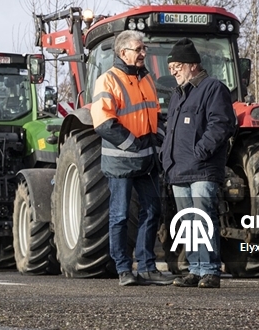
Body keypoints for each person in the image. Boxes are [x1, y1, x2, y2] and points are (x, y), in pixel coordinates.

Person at [90, 30, 172, 287]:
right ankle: (124, 269)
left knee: (152, 211)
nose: (143, 53)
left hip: (147, 161)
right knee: (120, 216)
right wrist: (134, 145)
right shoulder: (107, 81)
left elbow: (156, 115)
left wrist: (157, 139)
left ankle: (147, 267)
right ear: (123, 52)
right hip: (121, 162)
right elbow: (104, 123)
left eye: (144, 49)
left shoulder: (147, 79)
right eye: (138, 49)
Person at [160, 38, 236, 289]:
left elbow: (222, 124)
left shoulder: (213, 88)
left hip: (202, 168)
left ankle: (210, 270)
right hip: (178, 170)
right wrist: (166, 161)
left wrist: (200, 151)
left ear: (192, 65)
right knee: (188, 221)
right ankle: (195, 269)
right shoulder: (177, 95)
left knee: (204, 218)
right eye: (171, 67)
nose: (172, 71)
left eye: (177, 65)